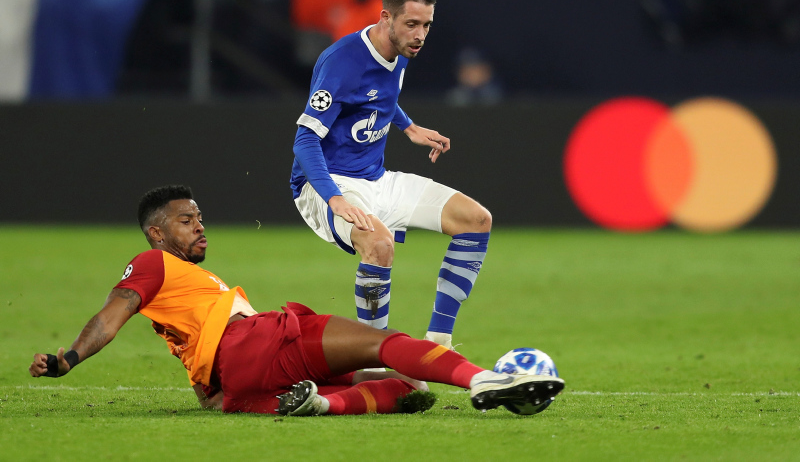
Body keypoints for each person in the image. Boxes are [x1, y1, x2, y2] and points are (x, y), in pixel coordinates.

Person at [28, 185, 565, 416]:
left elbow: (204, 384)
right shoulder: (152, 264)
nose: (200, 226)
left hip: (239, 384)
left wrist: (220, 396)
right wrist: (68, 358)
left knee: (409, 388)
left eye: (200, 217)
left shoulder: (185, 288)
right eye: (186, 220)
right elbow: (111, 314)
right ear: (156, 234)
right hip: (258, 342)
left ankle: (322, 403)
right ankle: (485, 380)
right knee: (387, 343)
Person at [290, 0, 492, 350]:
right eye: (412, 24)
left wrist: (408, 127)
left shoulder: (399, 50)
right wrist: (335, 199)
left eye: (426, 25)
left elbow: (377, 96)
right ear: (386, 17)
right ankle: (372, 358)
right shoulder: (342, 61)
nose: (420, 35)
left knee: (476, 220)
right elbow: (304, 140)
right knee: (380, 246)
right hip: (326, 184)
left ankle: (438, 343)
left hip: (376, 178)